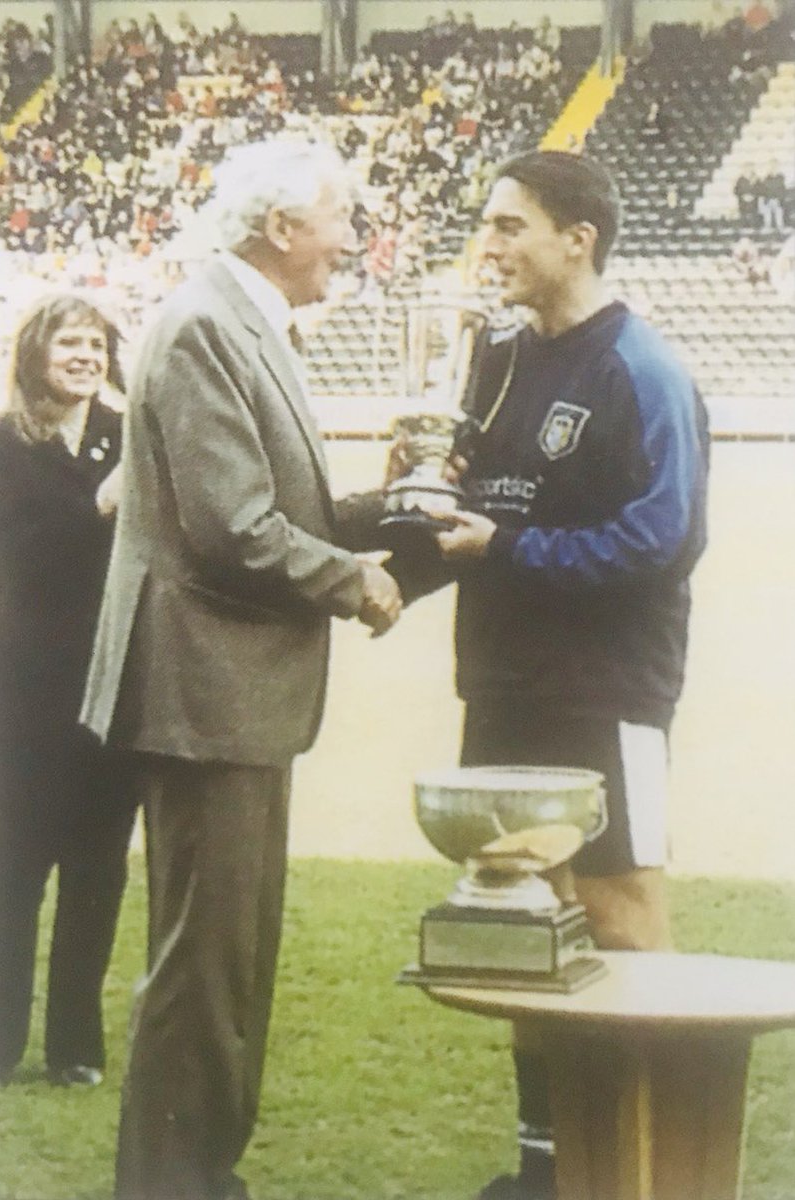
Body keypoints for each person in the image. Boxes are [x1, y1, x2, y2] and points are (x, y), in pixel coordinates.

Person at [79, 138, 402, 1200]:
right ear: (280, 229)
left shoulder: (235, 320)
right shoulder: (207, 324)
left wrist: (387, 509)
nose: (350, 241)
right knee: (202, 972)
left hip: (228, 697)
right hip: (203, 695)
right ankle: (174, 1185)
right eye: (339, 219)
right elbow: (231, 530)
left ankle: (196, 1177)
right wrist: (353, 580)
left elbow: (262, 513)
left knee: (227, 965)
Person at [392, 150, 709, 1200]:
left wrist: (507, 551)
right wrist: (398, 543)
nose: (488, 246)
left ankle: (645, 1161)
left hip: (607, 694)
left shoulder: (643, 370)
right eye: (484, 226)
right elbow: (475, 514)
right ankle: (547, 1166)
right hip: (502, 683)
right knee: (520, 921)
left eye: (508, 225)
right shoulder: (493, 361)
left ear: (577, 238)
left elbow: (659, 541)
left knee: (619, 917)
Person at [0, 294, 135, 1089]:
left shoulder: (132, 436)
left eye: (97, 343)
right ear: (35, 354)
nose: (86, 355)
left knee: (99, 863)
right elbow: (13, 558)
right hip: (24, 682)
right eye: (69, 342)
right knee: (12, 861)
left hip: (116, 675)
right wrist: (100, 505)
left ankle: (75, 1047)